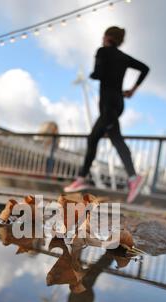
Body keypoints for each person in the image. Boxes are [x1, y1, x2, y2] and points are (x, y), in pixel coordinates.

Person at [64, 26, 150, 204]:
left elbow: (98, 74)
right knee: (116, 139)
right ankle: (134, 179)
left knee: (93, 138)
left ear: (108, 37)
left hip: (108, 105)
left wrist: (94, 72)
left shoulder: (102, 51)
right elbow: (145, 68)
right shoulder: (124, 57)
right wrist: (132, 90)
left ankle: (81, 178)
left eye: (103, 36)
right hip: (117, 102)